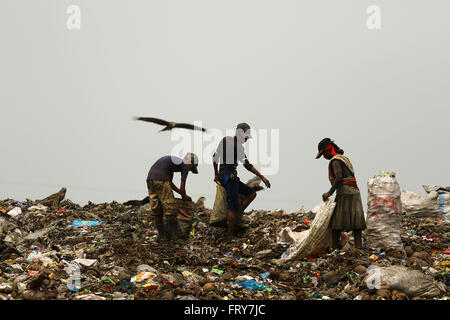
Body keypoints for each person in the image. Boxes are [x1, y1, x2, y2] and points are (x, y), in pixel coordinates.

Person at [213, 123, 271, 241]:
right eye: (246, 137)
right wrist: (262, 177)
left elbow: (215, 157)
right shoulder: (238, 147)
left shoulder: (224, 140)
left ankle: (235, 218)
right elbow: (247, 165)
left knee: (252, 193)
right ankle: (230, 234)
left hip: (222, 175)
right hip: (230, 177)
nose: (246, 140)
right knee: (233, 207)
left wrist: (215, 174)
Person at [316, 138, 366, 249]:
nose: (324, 156)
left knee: (336, 221)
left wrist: (328, 193)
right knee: (355, 218)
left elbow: (338, 177)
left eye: (324, 153)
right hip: (355, 191)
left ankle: (335, 248)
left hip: (344, 191)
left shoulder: (335, 161)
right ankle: (358, 246)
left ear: (329, 149)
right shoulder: (344, 159)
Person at [146, 153, 199, 241]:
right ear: (191, 162)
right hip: (161, 180)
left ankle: (162, 237)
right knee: (171, 209)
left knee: (157, 210)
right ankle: (174, 237)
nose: (189, 169)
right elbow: (182, 188)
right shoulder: (185, 165)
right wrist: (184, 197)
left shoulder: (173, 164)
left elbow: (170, 183)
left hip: (150, 179)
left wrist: (182, 194)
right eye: (191, 167)